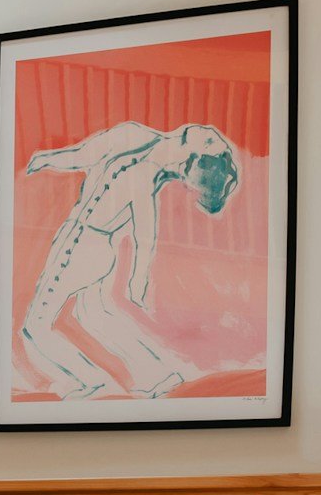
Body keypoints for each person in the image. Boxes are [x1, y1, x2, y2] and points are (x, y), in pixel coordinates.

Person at [16, 121, 240, 398]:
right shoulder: (134, 136)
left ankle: (91, 382)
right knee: (95, 313)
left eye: (208, 143)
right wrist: (46, 158)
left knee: (36, 325)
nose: (207, 132)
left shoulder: (146, 173)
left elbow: (144, 232)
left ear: (189, 160)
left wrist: (139, 278)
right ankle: (157, 375)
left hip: (79, 246)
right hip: (95, 247)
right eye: (210, 139)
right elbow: (83, 155)